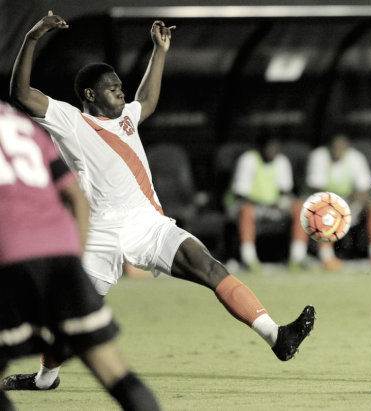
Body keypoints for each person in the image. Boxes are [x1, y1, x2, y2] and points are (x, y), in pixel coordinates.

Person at [4, 11, 315, 391]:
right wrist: (33, 36)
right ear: (89, 94)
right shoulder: (70, 120)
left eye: (120, 86)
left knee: (209, 267)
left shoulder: (127, 117)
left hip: (148, 224)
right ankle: (46, 378)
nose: (121, 92)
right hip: (101, 232)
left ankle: (277, 337)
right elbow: (21, 94)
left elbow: (146, 97)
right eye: (112, 87)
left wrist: (159, 50)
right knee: (71, 314)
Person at [0, 100, 162, 410]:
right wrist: (75, 258)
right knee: (116, 373)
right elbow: (75, 196)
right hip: (63, 257)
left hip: (9, 258)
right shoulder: (23, 125)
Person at [306, 133, 371, 271]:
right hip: (326, 204)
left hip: (350, 204)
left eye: (341, 147)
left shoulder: (355, 157)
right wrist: (337, 206)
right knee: (321, 206)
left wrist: (351, 204)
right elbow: (318, 190)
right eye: (334, 147)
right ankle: (327, 258)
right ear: (329, 147)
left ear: (347, 147)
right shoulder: (319, 156)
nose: (337, 151)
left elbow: (364, 189)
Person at [226, 134, 310, 271]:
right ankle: (249, 258)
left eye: (275, 148)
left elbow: (285, 190)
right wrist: (267, 203)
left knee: (300, 207)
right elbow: (240, 194)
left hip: (273, 207)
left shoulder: (282, 161)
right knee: (246, 210)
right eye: (269, 147)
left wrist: (284, 202)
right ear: (260, 148)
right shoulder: (248, 160)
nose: (272, 151)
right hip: (248, 205)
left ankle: (297, 257)